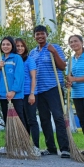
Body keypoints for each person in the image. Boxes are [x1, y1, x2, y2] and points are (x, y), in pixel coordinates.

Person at [29, 25, 70, 158]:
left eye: (42, 34)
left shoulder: (55, 47)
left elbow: (63, 66)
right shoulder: (32, 52)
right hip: (38, 90)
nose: (40, 36)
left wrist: (54, 53)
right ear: (34, 36)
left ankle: (65, 148)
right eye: (37, 34)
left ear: (46, 35)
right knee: (44, 119)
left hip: (53, 87)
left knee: (58, 117)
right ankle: (51, 147)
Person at [0, 36, 26, 154]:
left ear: (12, 46)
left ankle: (22, 146)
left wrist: (13, 91)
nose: (5, 46)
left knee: (19, 120)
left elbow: (20, 76)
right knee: (8, 121)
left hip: (15, 95)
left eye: (8, 44)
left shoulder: (16, 58)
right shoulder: (0, 59)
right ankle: (11, 145)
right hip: (3, 94)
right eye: (3, 44)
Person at [15, 38, 40, 155]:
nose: (19, 48)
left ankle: (35, 146)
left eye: (22, 46)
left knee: (31, 120)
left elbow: (33, 78)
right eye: (17, 46)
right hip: (17, 95)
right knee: (22, 120)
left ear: (25, 47)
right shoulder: (14, 60)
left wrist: (32, 93)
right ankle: (24, 145)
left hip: (28, 94)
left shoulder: (29, 60)